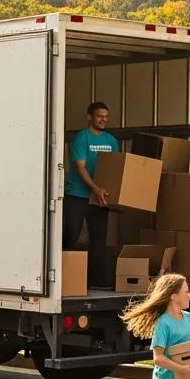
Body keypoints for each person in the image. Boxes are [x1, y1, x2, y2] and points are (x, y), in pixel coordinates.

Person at [63, 101, 120, 286]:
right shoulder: (81, 138)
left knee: (99, 239)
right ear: (90, 117)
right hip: (77, 195)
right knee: (71, 234)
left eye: (106, 116)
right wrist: (95, 188)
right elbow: (80, 168)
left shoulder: (111, 141)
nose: (103, 120)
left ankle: (96, 280)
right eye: (99, 116)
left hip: (100, 198)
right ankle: (67, 278)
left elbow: (115, 167)